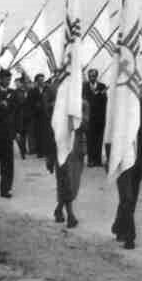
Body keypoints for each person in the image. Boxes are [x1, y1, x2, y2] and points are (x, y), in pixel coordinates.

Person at [111, 92, 142, 250]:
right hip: (121, 155)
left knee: (131, 197)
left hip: (138, 154)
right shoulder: (116, 104)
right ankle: (130, 235)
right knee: (127, 197)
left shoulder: (141, 102)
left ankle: (119, 226)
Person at [54, 82, 90, 229]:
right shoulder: (60, 104)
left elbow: (86, 125)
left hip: (78, 146)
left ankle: (59, 209)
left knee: (73, 182)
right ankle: (70, 215)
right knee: (65, 179)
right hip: (63, 144)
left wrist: (76, 116)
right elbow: (54, 125)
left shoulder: (84, 104)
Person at [84, 69, 108, 167]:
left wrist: (99, 95)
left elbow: (105, 101)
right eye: (90, 76)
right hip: (89, 118)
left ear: (97, 76)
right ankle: (90, 160)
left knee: (99, 139)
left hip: (100, 118)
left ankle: (98, 160)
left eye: (94, 76)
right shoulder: (84, 86)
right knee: (90, 140)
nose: (92, 78)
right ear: (88, 76)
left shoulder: (102, 86)